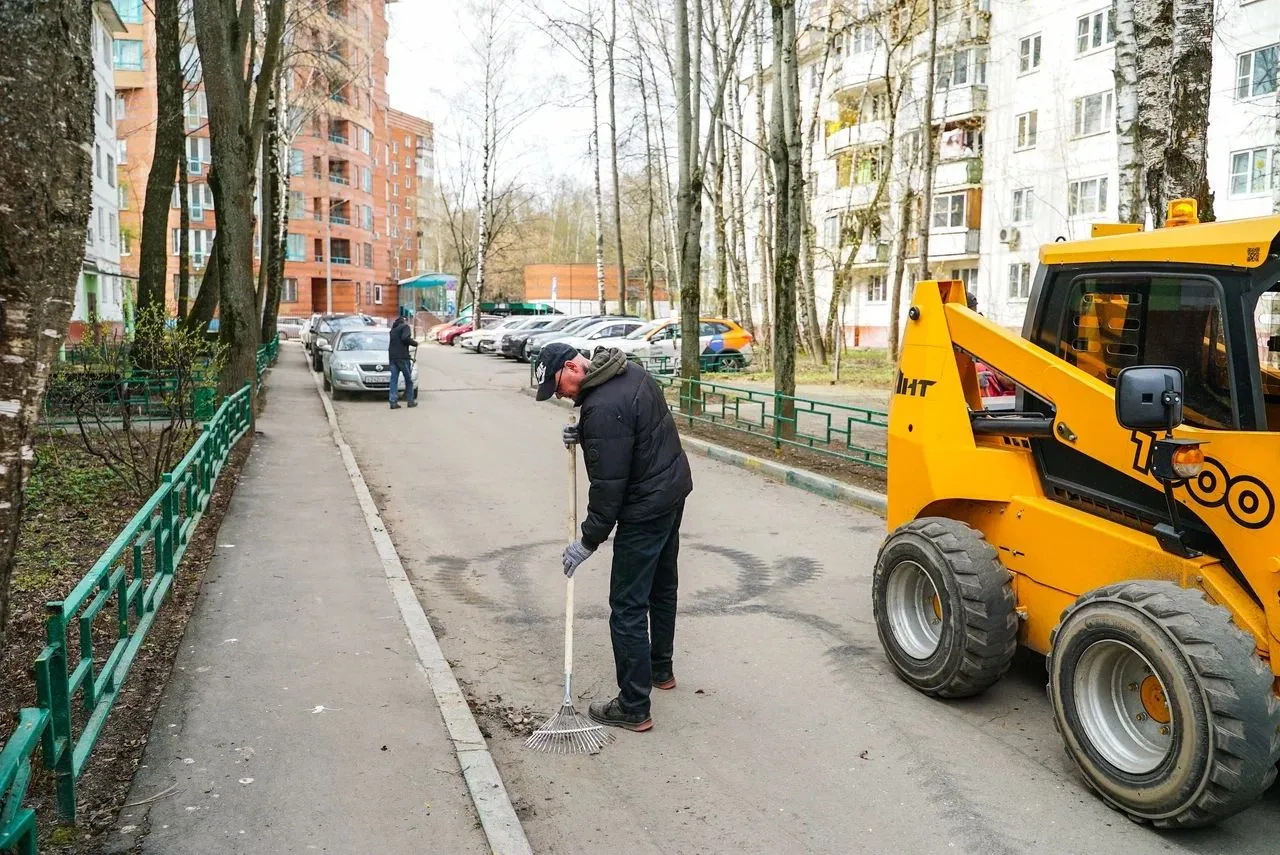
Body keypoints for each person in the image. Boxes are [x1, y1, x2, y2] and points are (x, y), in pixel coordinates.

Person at [534, 342, 693, 732]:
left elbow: (608, 487)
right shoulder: (628, 371)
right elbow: (631, 433)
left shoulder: (602, 405)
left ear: (573, 366)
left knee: (626, 606)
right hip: (672, 492)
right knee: (661, 587)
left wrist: (587, 541)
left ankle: (634, 705)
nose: (560, 395)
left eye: (558, 385)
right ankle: (661, 670)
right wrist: (586, 432)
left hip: (643, 509)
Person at [388, 316, 418, 409]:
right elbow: (405, 338)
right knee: (408, 380)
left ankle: (393, 402)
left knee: (394, 379)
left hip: (392, 357)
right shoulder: (405, 327)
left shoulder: (392, 330)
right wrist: (414, 343)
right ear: (403, 322)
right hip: (402, 357)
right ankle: (410, 401)